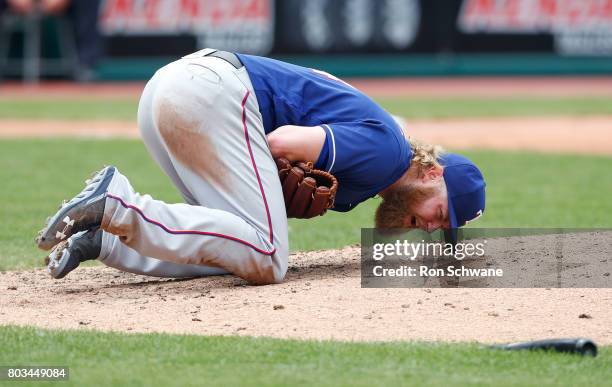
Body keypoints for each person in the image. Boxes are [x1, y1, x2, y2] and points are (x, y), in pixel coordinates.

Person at [36, 49, 486, 284]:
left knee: (230, 245)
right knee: (268, 255)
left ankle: (104, 241)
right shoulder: (388, 155)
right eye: (442, 214)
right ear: (433, 174)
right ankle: (116, 204)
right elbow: (281, 142)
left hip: (178, 90)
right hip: (211, 95)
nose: (432, 228)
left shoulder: (384, 155)